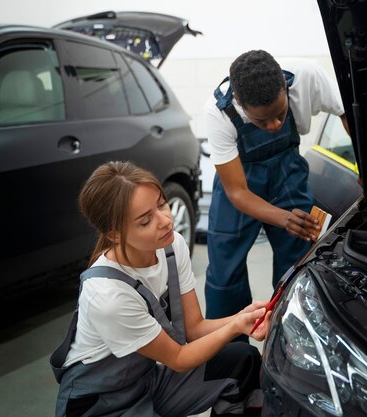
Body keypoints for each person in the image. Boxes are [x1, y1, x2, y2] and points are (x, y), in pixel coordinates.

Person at [50, 161, 271, 417]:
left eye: (161, 204)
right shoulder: (108, 295)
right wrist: (234, 327)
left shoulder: (172, 246)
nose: (165, 220)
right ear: (115, 235)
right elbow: (178, 358)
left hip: (147, 382)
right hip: (99, 404)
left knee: (242, 360)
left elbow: (194, 328)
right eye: (146, 221)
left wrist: (243, 319)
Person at [203, 50, 347, 321]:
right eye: (261, 121)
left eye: (280, 114)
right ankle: (231, 353)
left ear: (286, 87)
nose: (275, 125)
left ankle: (293, 331)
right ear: (239, 102)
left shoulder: (308, 75)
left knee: (297, 260)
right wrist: (283, 217)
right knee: (225, 272)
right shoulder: (217, 112)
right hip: (239, 180)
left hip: (287, 174)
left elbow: (345, 111)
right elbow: (237, 192)